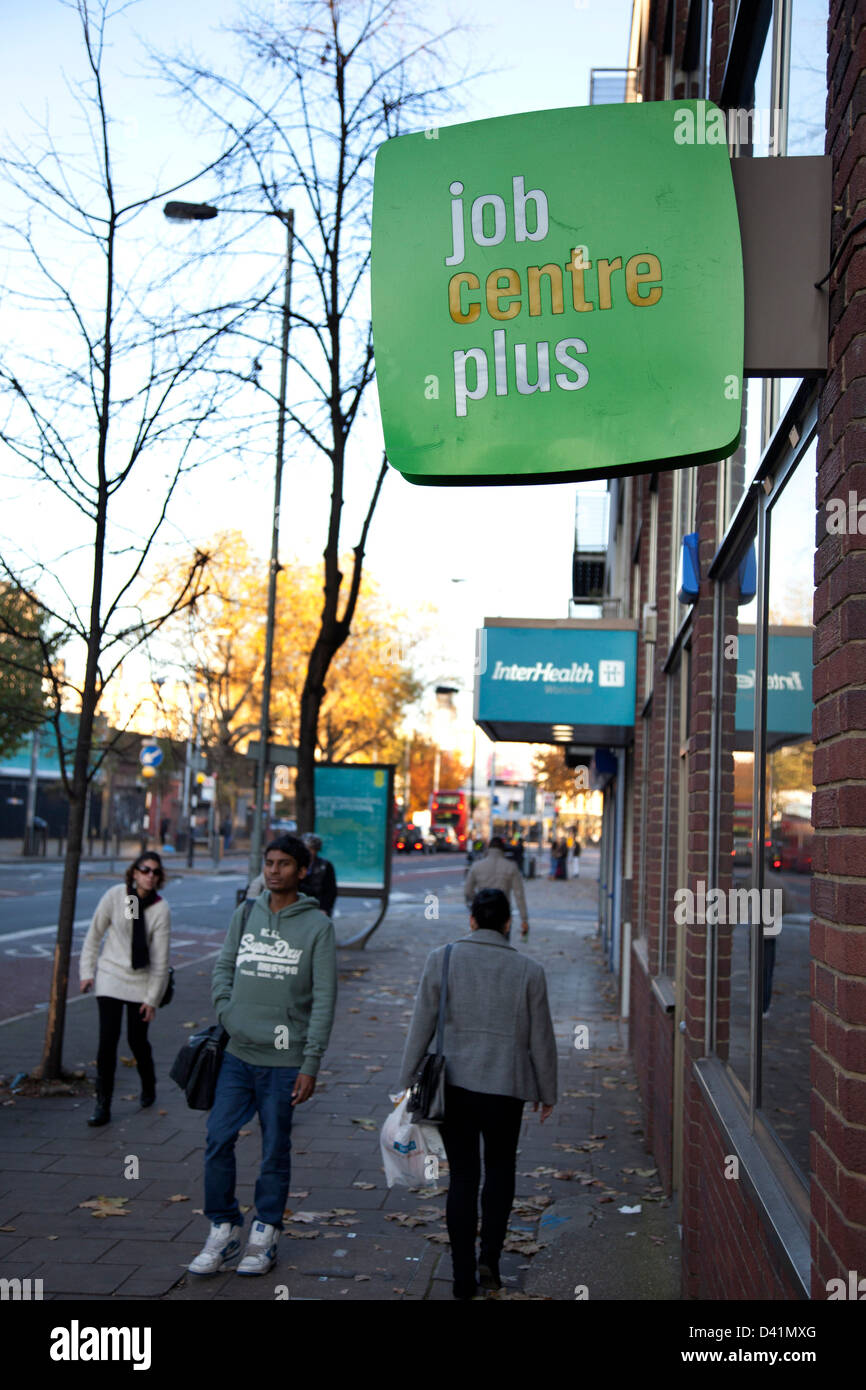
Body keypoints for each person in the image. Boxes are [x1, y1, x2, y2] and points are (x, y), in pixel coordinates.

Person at [189, 834, 337, 1278]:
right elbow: (224, 966)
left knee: (274, 1149)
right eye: (269, 862)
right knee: (218, 1139)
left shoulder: (318, 927)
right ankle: (223, 1227)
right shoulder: (246, 912)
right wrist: (226, 1009)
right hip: (237, 1052)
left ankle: (265, 1233)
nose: (274, 870)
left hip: (284, 1058)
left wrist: (310, 1063)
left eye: (284, 864)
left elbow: (325, 999)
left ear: (302, 870)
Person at [399, 888, 557, 1300]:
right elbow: (542, 1038)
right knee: (502, 1170)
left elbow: (421, 1025)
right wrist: (547, 1090)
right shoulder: (529, 970)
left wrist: (405, 1080)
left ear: (471, 920)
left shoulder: (443, 958)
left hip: (455, 1086)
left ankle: (462, 1275)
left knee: (464, 1177)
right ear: (507, 924)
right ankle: (491, 1258)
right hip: (507, 1089)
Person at [78, 852, 171, 1127]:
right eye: (145, 870)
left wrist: (152, 999)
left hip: (141, 982)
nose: (150, 875)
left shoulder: (160, 909)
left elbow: (161, 959)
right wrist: (87, 973)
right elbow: (94, 935)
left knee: (136, 1040)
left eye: (155, 871)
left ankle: (149, 1083)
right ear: (134, 872)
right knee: (107, 1041)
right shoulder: (116, 896)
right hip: (110, 976)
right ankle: (102, 1103)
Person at [464, 835, 530, 939]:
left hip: (481, 911)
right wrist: (524, 919)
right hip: (503, 912)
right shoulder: (511, 866)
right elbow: (519, 895)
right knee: (502, 946)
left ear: (489, 848)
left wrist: (475, 905)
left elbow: (468, 891)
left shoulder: (477, 866)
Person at [301, 832, 338, 916]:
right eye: (305, 848)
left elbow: (330, 891)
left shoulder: (325, 866)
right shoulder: (295, 864)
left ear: (317, 850)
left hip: (318, 905)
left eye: (311, 848)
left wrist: (324, 909)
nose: (308, 852)